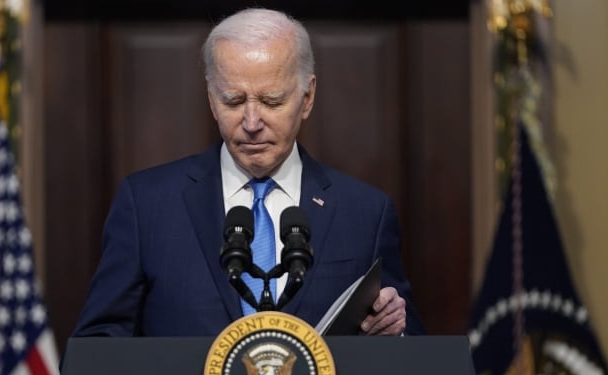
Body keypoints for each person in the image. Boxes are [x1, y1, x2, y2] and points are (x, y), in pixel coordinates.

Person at [71, 7, 425, 337]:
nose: (252, 122)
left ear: (308, 97)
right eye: (233, 101)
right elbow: (97, 351)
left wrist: (394, 328)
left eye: (272, 101)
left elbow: (414, 357)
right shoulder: (147, 206)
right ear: (211, 98)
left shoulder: (364, 213)